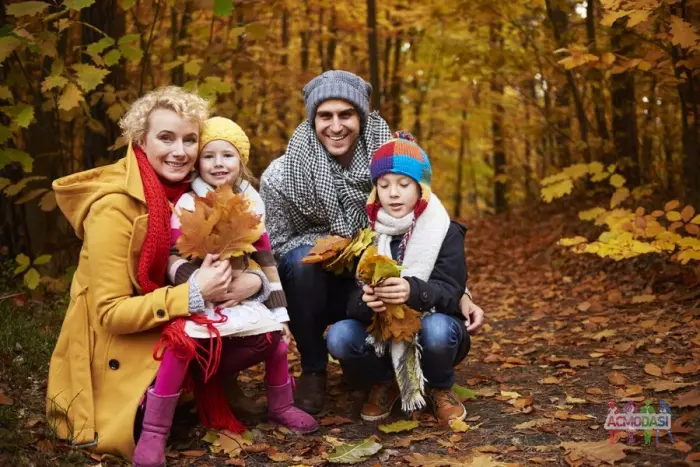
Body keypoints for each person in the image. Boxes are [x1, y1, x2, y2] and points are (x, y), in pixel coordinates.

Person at [46, 87, 277, 465]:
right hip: (118, 345)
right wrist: (194, 293)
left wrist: (254, 280)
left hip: (168, 317)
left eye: (189, 140)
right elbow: (111, 313)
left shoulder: (195, 193)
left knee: (264, 337)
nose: (180, 151)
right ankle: (161, 408)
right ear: (141, 140)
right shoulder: (113, 207)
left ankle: (205, 385)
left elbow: (236, 253)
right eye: (166, 138)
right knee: (180, 344)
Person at [260, 70, 485, 414]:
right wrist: (335, 246)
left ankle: (412, 379)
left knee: (436, 328)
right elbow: (275, 246)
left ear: (362, 117)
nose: (336, 126)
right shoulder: (283, 175)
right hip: (319, 286)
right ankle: (314, 370)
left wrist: (460, 293)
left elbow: (426, 226)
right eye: (325, 116)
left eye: (346, 114)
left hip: (388, 275)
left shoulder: (389, 157)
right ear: (312, 119)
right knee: (301, 262)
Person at [163, 116, 317, 436]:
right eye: (209, 156)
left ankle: (281, 406)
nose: (218, 163)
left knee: (276, 343)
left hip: (241, 297)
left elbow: (265, 257)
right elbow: (174, 256)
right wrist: (198, 283)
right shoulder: (189, 202)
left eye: (227, 155)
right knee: (190, 347)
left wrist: (279, 313)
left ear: (241, 161)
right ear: (198, 162)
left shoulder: (251, 202)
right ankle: (181, 403)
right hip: (200, 298)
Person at [326, 132, 470, 424]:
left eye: (404, 184)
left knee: (438, 330)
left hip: (432, 324)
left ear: (420, 188)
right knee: (340, 336)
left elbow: (451, 290)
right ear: (375, 189)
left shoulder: (444, 230)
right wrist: (365, 301)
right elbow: (348, 298)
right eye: (384, 185)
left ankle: (439, 386)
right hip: (382, 330)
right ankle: (384, 382)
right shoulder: (367, 233)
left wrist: (411, 291)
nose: (393, 193)